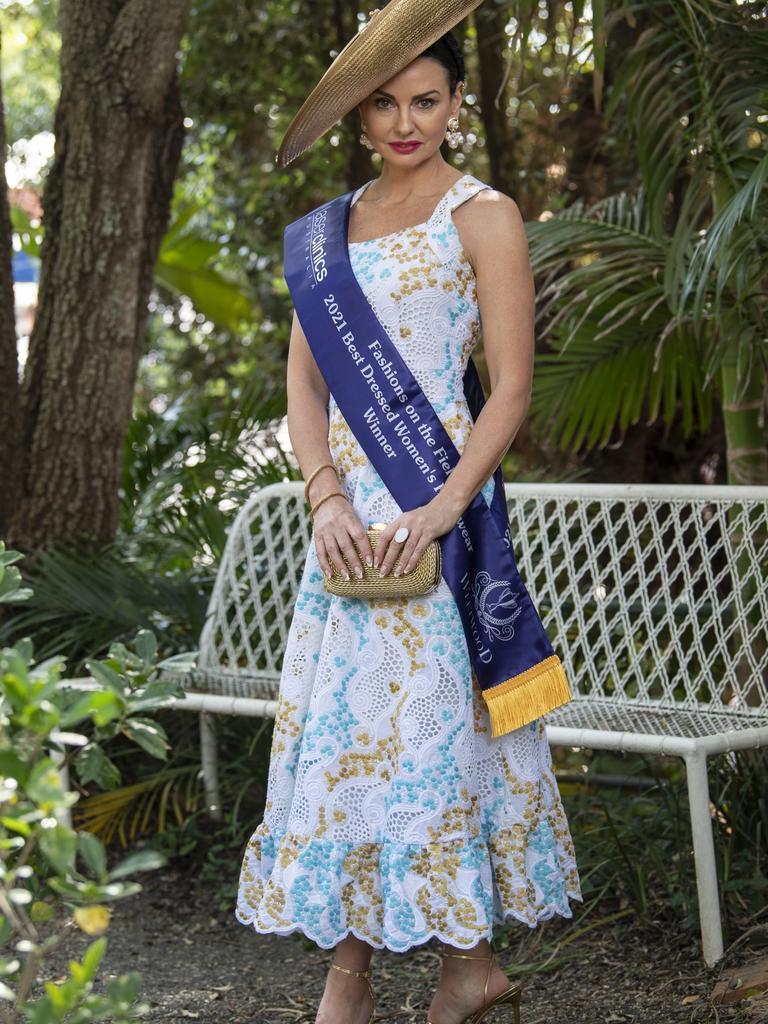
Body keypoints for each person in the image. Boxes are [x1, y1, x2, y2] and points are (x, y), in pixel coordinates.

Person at [236, 4, 581, 1022]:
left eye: (426, 100)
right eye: (384, 103)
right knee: (345, 746)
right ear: (358, 115)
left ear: (459, 103)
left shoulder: (486, 215)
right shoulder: (323, 235)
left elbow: (511, 387)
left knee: (435, 743)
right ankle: (350, 971)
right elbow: (304, 385)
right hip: (348, 537)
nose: (405, 121)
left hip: (442, 516)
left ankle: (466, 967)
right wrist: (322, 493)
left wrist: (441, 506)